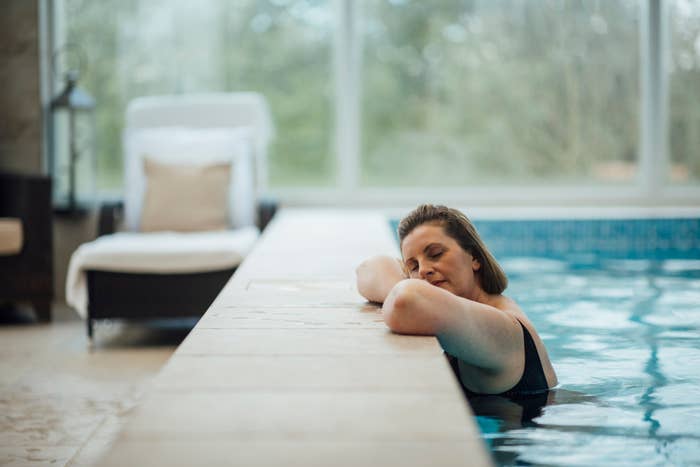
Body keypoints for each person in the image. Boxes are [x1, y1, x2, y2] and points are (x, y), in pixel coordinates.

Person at [356, 204, 557, 398]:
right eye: (413, 266)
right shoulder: (459, 313)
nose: (424, 269)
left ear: (474, 258)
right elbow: (369, 269)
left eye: (435, 254)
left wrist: (414, 291)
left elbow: (405, 301)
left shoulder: (506, 329)